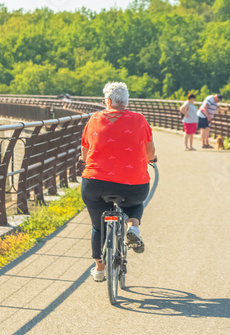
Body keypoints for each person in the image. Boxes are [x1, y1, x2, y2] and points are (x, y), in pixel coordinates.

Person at [80, 82, 157, 282]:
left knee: (98, 226)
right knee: (135, 204)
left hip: (95, 182)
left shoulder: (94, 119)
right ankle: (133, 225)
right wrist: (151, 160)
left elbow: (85, 152)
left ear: (107, 101)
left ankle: (99, 269)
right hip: (132, 184)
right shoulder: (139, 120)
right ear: (126, 102)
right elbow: (150, 151)